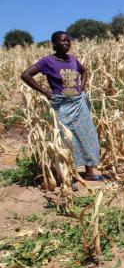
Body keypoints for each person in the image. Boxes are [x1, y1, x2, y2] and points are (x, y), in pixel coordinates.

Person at [21, 31, 104, 183]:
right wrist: (45, 91)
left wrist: (82, 85)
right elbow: (25, 75)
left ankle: (90, 173)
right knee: (66, 139)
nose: (66, 43)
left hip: (78, 103)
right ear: (54, 44)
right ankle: (69, 177)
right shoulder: (47, 61)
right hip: (62, 105)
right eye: (62, 41)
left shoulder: (72, 59)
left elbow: (84, 71)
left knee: (87, 136)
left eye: (68, 41)